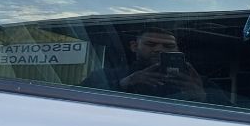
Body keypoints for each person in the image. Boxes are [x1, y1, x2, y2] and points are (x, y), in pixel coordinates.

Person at [87, 26, 222, 104]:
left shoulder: (197, 81)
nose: (159, 49)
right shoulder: (106, 76)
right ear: (134, 46)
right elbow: (80, 104)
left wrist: (202, 96)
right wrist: (123, 83)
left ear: (177, 50)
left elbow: (229, 111)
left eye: (168, 46)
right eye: (150, 44)